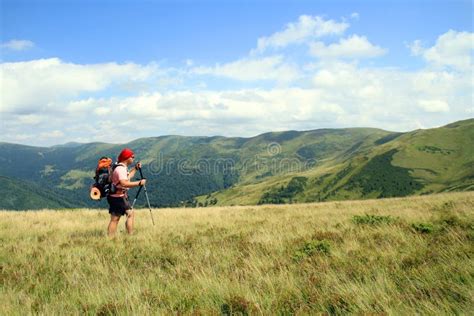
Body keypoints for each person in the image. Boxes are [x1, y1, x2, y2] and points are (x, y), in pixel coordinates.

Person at [107, 148, 146, 236]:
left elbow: (127, 177)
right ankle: (128, 235)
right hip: (118, 197)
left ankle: (114, 237)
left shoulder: (120, 167)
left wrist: (135, 168)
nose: (133, 158)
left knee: (123, 216)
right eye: (132, 157)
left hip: (116, 196)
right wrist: (139, 183)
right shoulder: (120, 169)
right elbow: (124, 183)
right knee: (118, 218)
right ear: (126, 158)